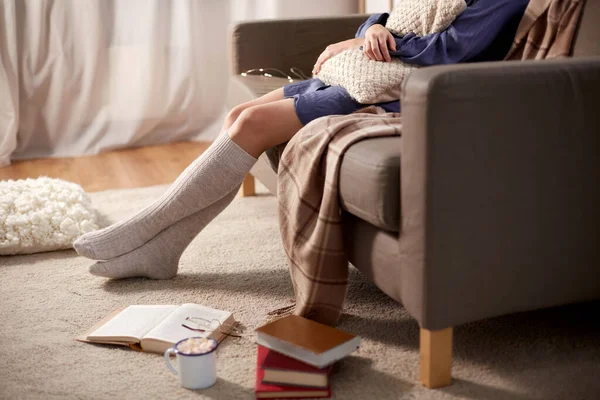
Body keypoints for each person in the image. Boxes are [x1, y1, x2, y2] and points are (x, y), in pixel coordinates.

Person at [74, 0, 530, 279]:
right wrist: (370, 29)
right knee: (240, 113)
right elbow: (392, 17)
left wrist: (359, 45)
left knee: (251, 127)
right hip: (370, 74)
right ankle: (162, 249)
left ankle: (148, 229)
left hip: (401, 91)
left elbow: (452, 52)